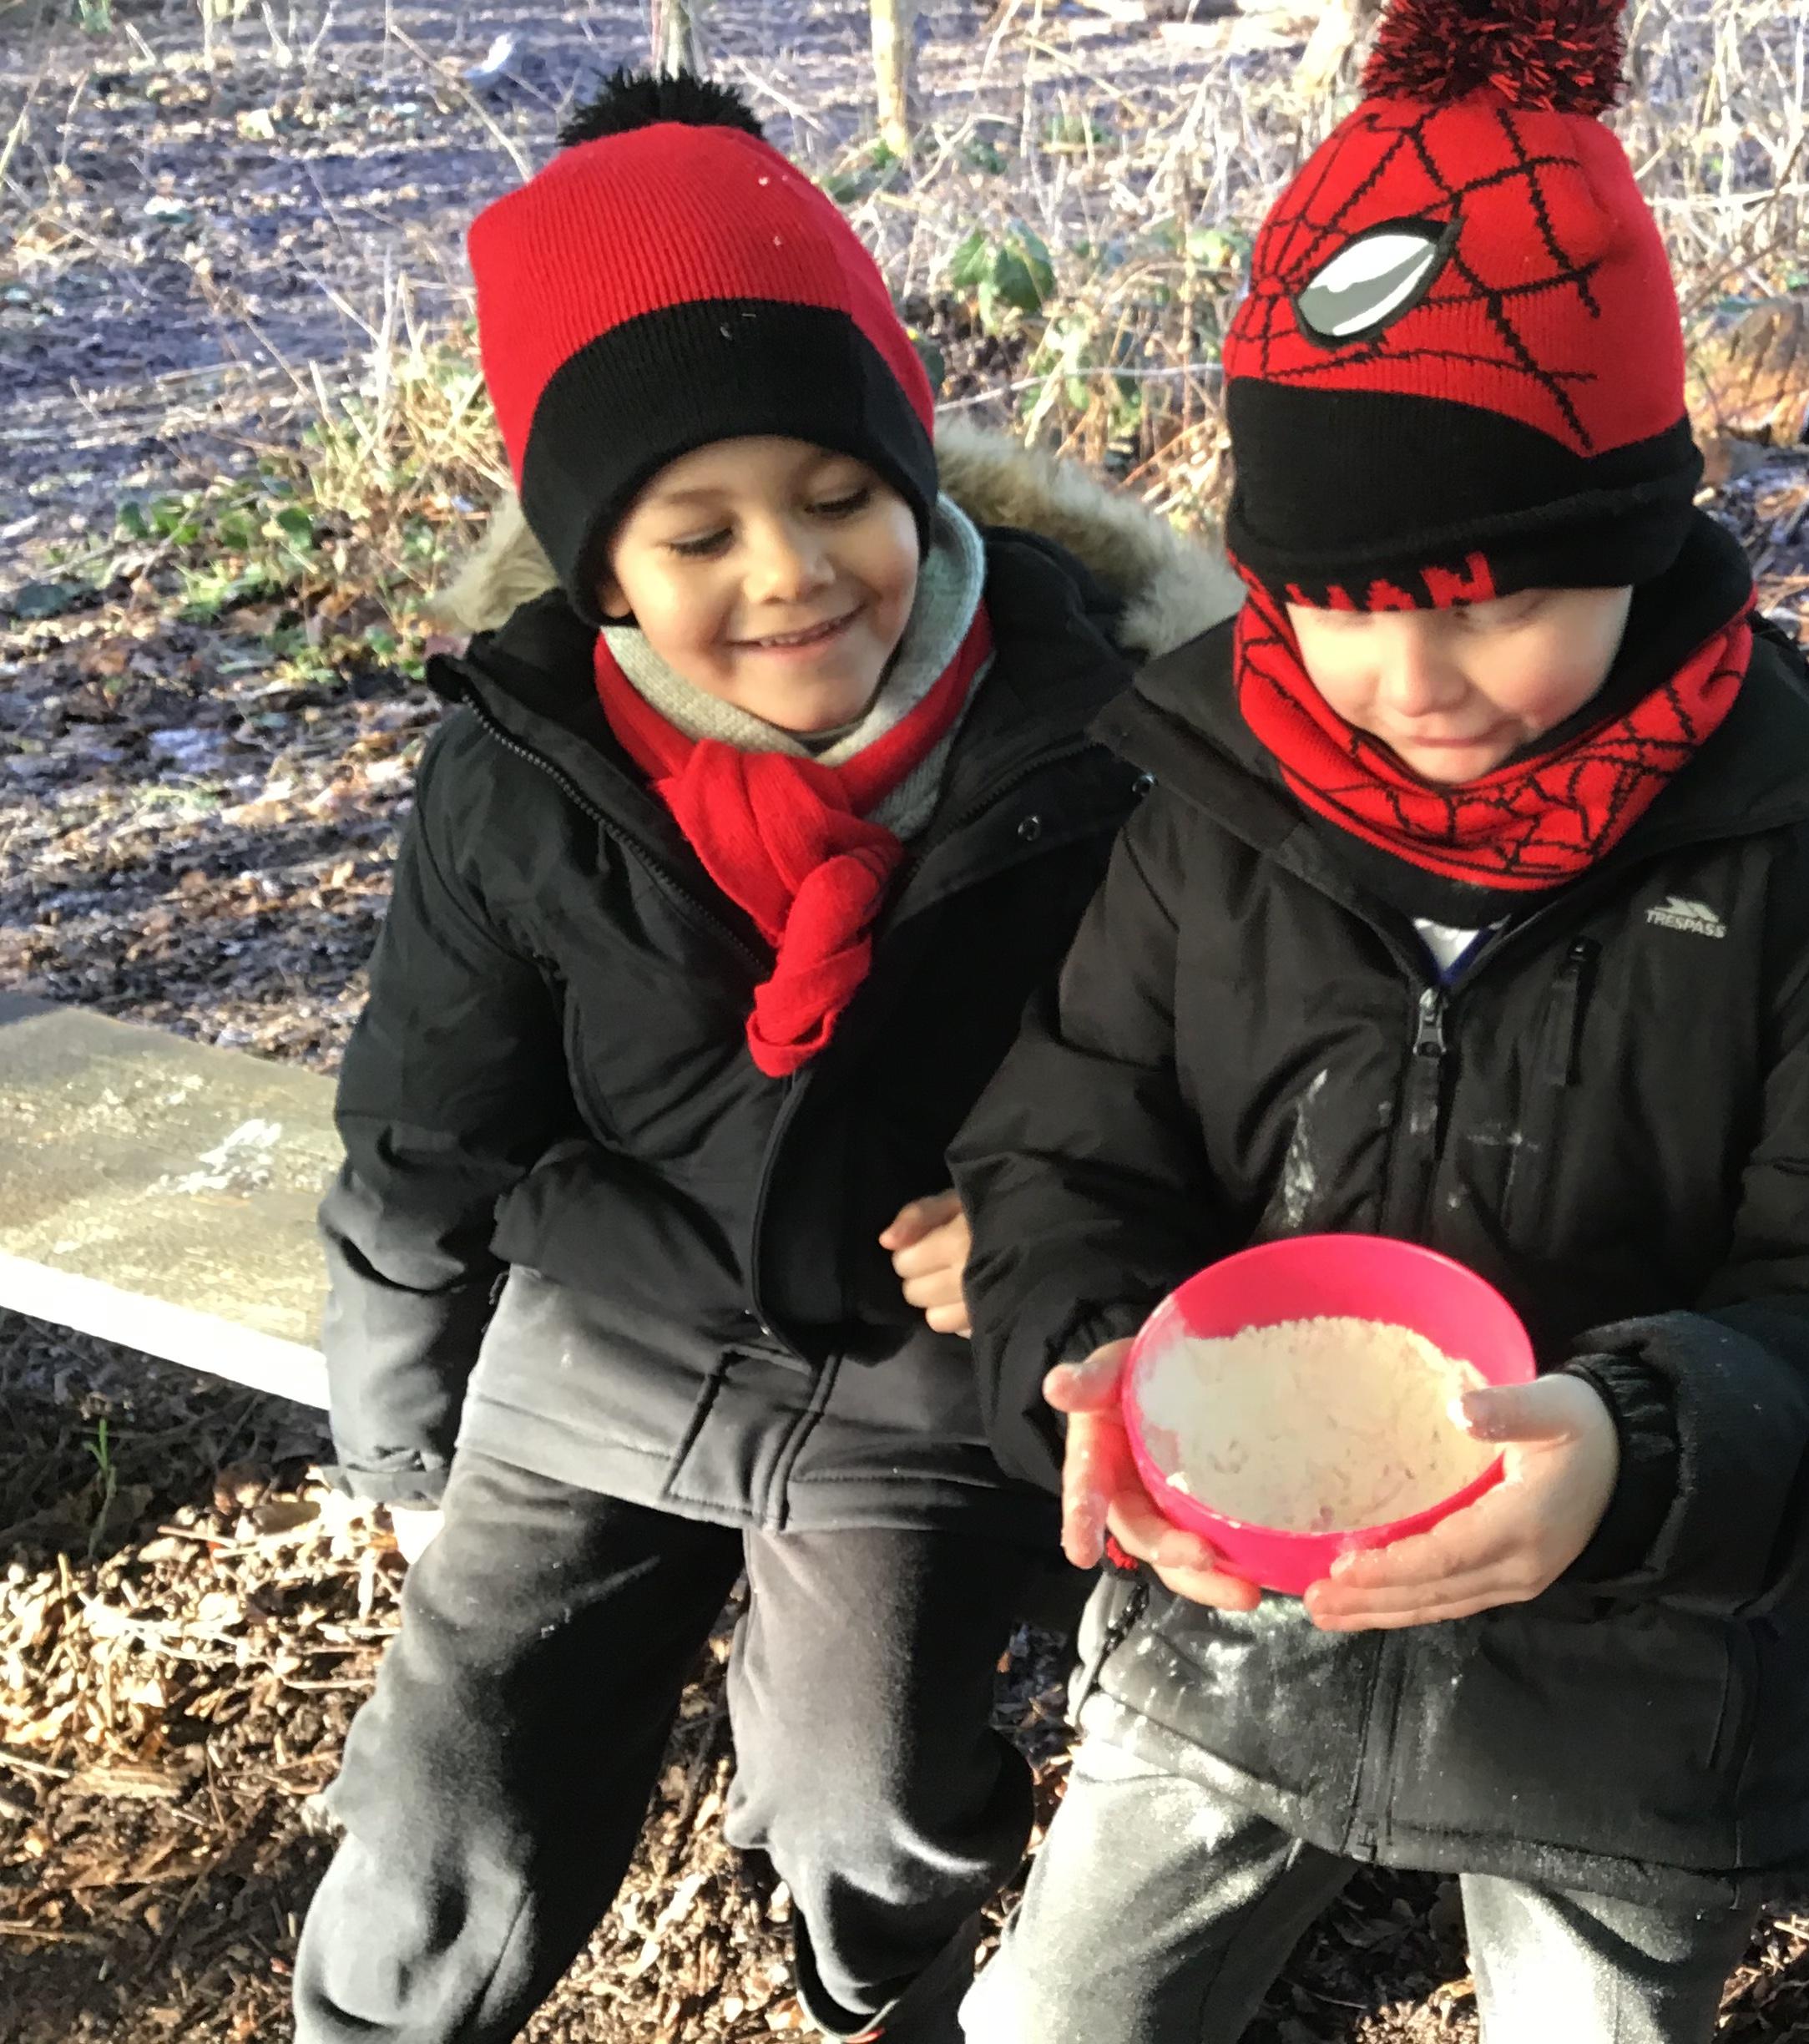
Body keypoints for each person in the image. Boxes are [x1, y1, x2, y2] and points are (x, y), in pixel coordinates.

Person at [945, 0, 1809, 2033]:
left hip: (1630, 1665)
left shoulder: (1773, 878)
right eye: (1347, 604)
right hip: (1242, 1617)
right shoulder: (1215, 817)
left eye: (1502, 597)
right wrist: (1084, 1358)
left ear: (1640, 541)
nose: (1416, 677)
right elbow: (1063, 1146)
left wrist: (1637, 1460)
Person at [294, 70, 1232, 2044]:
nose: (791, 573)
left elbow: (1212, 1064)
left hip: (923, 1370)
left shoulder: (1103, 736)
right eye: (698, 532)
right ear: (599, 569)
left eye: (835, 496)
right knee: (452, 1784)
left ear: (913, 478)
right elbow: (424, 1129)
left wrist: (1059, 1222)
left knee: (861, 1793)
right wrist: (403, 1434)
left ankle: (871, 1989)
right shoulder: (527, 767)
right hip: (609, 1323)